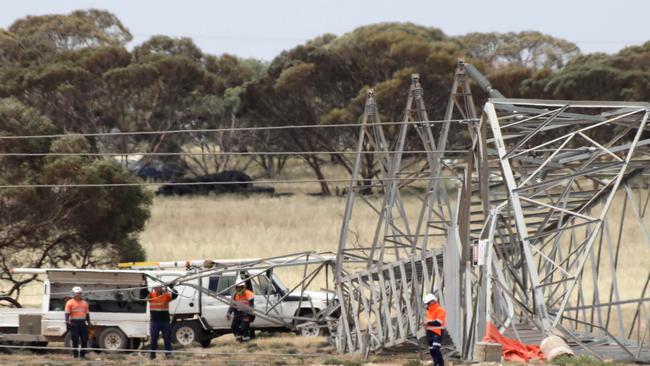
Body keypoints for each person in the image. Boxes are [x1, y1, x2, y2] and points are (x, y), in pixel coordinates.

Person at [145, 284, 178, 359]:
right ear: (155, 288)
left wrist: (172, 287)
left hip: (165, 322)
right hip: (155, 322)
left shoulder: (166, 295)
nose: (159, 289)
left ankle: (168, 354)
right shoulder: (151, 295)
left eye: (160, 287)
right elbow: (143, 294)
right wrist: (143, 284)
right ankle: (152, 355)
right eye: (157, 287)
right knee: (153, 339)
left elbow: (175, 295)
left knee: (167, 338)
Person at [226, 276, 255, 342]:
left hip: (246, 313)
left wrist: (248, 315)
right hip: (238, 314)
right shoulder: (235, 295)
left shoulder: (249, 294)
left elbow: (251, 306)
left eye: (240, 287)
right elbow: (232, 306)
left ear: (243, 287)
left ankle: (246, 341)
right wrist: (228, 313)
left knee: (244, 328)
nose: (238, 289)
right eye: (237, 287)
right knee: (233, 327)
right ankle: (239, 338)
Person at [65, 286, 91, 358]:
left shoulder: (85, 303)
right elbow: (67, 314)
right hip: (74, 323)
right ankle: (75, 355)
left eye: (80, 293)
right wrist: (67, 323)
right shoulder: (69, 303)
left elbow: (87, 314)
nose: (79, 295)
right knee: (75, 340)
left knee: (85, 339)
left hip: (83, 323)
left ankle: (82, 355)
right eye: (77, 293)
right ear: (73, 294)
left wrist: (89, 322)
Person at [423, 293, 446, 366]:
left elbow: (439, 322)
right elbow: (428, 321)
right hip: (429, 333)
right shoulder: (428, 311)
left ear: (432, 301)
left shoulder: (440, 310)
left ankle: (440, 364)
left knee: (435, 348)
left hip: (437, 332)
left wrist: (428, 322)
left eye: (428, 303)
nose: (427, 305)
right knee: (432, 351)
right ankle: (436, 364)